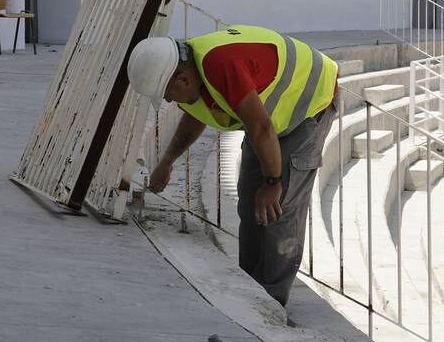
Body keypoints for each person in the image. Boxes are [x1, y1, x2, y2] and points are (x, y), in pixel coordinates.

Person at [127, 27, 338, 307]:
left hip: (308, 104)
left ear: (182, 78)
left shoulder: (222, 67)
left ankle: (270, 303)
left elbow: (262, 128)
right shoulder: (190, 70)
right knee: (251, 200)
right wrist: (167, 161)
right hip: (266, 115)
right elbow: (196, 116)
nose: (167, 100)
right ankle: (250, 287)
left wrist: (273, 183)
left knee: (278, 208)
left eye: (167, 93)